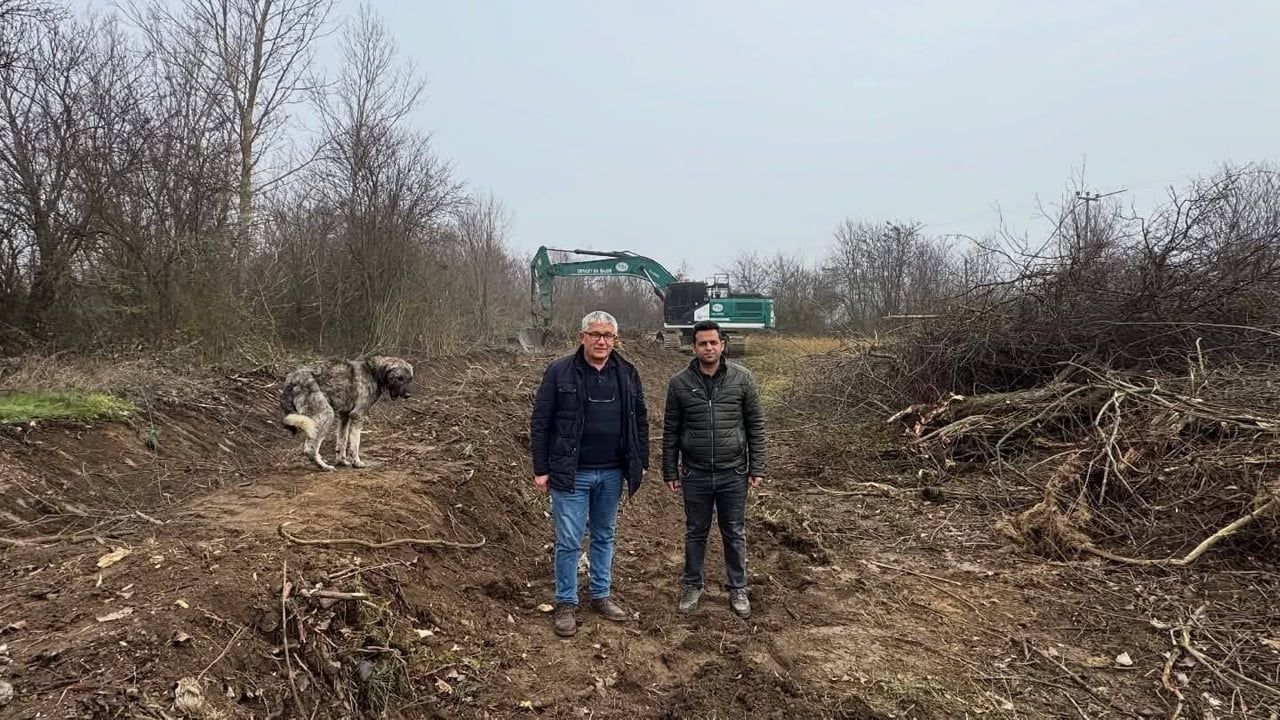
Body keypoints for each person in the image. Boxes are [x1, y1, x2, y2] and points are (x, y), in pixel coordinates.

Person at [529, 310, 649, 637]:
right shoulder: (559, 373)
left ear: (615, 339)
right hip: (572, 472)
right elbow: (541, 422)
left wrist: (641, 460)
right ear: (581, 337)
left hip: (612, 472)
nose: (601, 341)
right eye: (595, 334)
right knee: (569, 540)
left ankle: (600, 594)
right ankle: (566, 602)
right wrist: (541, 468)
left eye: (607, 335)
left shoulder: (626, 372)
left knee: (604, 535)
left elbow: (639, 418)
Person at [662, 320, 766, 619]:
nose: (708, 347)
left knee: (733, 531)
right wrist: (670, 470)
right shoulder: (679, 383)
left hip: (732, 471)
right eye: (702, 343)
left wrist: (756, 466)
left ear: (722, 345)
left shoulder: (742, 379)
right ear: (693, 347)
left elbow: (756, 425)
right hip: (695, 473)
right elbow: (671, 430)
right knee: (696, 531)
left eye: (713, 342)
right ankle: (692, 585)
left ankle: (737, 587)